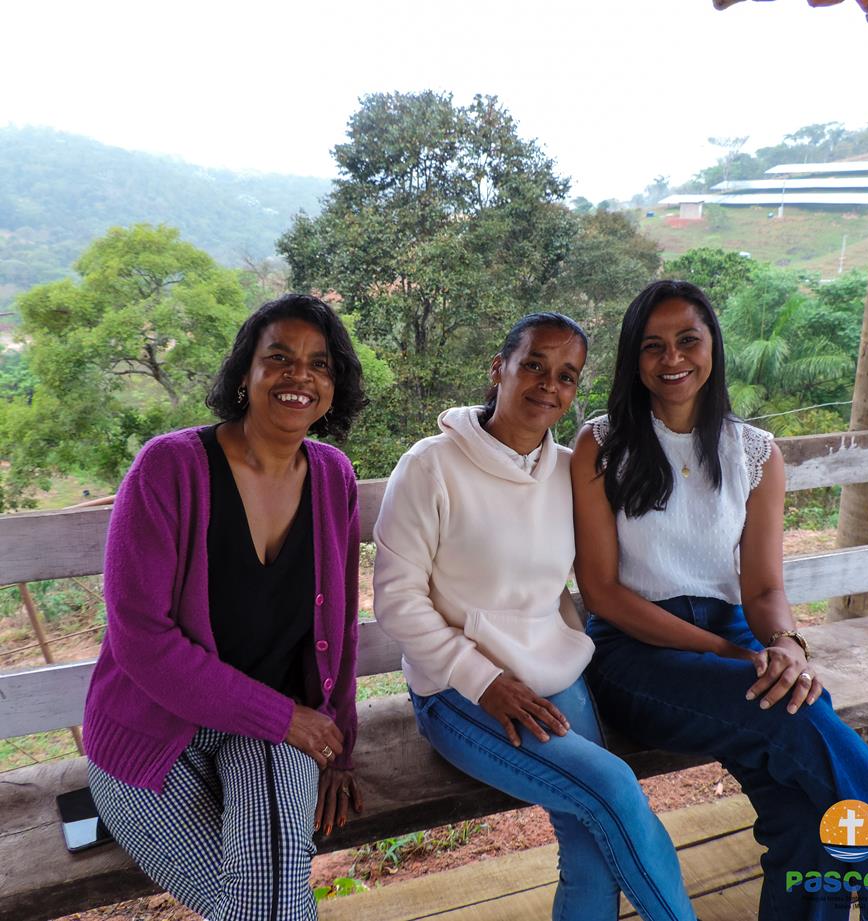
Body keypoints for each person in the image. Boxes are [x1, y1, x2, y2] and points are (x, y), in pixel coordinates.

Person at [571, 279, 868, 921]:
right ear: (633, 358)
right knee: (791, 713)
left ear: (713, 346)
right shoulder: (603, 445)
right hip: (635, 654)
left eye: (688, 340)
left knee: (804, 814)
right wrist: (729, 653)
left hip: (733, 638)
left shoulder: (754, 452)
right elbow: (603, 594)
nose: (672, 358)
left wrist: (786, 645)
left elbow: (762, 589)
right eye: (653, 345)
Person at [373, 313, 696, 921]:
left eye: (567, 376)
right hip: (457, 690)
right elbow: (396, 600)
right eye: (534, 366)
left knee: (590, 840)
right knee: (611, 788)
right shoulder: (431, 466)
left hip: (554, 675)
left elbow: (611, 569)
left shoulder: (572, 471)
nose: (549, 384)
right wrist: (485, 680)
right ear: (499, 369)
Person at [83, 293, 366, 921]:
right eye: (280, 358)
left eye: (319, 364)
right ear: (246, 373)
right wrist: (285, 719)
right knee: (265, 903)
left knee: (259, 901)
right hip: (152, 736)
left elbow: (340, 628)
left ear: (334, 385)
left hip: (273, 732)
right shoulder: (169, 467)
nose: (300, 376)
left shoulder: (333, 477)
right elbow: (141, 639)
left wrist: (339, 750)